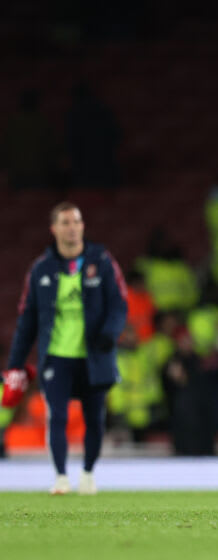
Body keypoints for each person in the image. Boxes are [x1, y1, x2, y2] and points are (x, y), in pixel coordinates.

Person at [5, 202, 127, 494]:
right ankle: (61, 477)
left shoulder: (102, 261)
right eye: (65, 223)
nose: (72, 228)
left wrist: (109, 334)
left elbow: (119, 304)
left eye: (76, 222)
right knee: (56, 415)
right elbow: (27, 320)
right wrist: (15, 364)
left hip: (94, 356)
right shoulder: (41, 269)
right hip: (57, 356)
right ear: (54, 229)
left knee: (94, 419)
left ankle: (87, 474)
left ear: (83, 226)